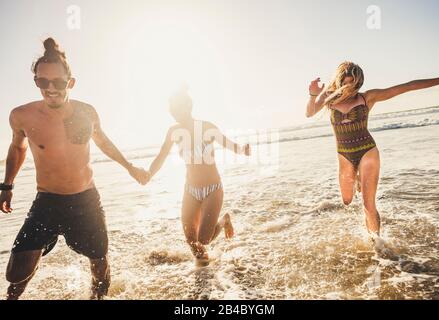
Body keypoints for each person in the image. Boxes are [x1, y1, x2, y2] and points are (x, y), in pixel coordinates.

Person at [0, 38, 148, 300]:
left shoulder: (86, 112)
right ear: (36, 81)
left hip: (85, 200)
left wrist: (130, 167)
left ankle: (96, 298)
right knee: (16, 273)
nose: (50, 88)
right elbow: (18, 148)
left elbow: (103, 141)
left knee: (99, 261)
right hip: (47, 200)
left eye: (57, 82)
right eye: (42, 82)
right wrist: (7, 185)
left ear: (70, 82)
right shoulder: (21, 116)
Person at [306, 61, 439, 238]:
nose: (349, 87)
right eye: (346, 82)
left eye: (353, 83)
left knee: (368, 205)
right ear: (339, 80)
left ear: (359, 83)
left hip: (367, 151)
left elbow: (409, 86)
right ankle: (358, 178)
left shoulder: (367, 97)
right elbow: (310, 112)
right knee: (347, 200)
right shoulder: (328, 97)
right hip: (344, 155)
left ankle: (377, 243)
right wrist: (313, 94)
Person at [145, 87, 251, 265]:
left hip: (212, 189)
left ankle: (224, 220)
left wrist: (242, 150)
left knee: (204, 240)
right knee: (192, 242)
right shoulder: (173, 132)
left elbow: (229, 144)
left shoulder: (207, 127)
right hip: (191, 190)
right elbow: (161, 156)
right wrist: (148, 174)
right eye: (171, 109)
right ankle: (204, 271)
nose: (172, 112)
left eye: (175, 108)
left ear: (187, 106)